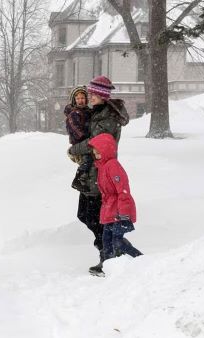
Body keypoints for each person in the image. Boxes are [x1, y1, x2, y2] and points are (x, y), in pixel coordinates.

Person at [67, 75, 130, 273]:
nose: (89, 97)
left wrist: (73, 150)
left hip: (101, 173)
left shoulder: (107, 118)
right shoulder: (97, 112)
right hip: (91, 172)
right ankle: (112, 249)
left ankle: (110, 254)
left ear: (102, 95)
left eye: (93, 94)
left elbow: (96, 142)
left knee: (96, 217)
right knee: (84, 215)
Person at [87, 133, 142, 276]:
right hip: (109, 211)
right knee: (106, 240)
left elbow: (123, 191)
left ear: (106, 151)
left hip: (119, 212)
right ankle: (109, 267)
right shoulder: (102, 167)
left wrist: (124, 213)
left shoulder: (113, 166)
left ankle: (142, 261)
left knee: (117, 241)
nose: (96, 154)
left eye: (99, 152)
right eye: (94, 152)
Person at [63, 86, 92, 192]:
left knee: (89, 160)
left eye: (83, 98)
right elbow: (75, 128)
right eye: (78, 98)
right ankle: (78, 179)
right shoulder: (74, 113)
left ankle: (83, 178)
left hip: (87, 140)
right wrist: (84, 136)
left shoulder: (87, 111)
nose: (80, 100)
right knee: (87, 159)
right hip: (79, 141)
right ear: (74, 100)